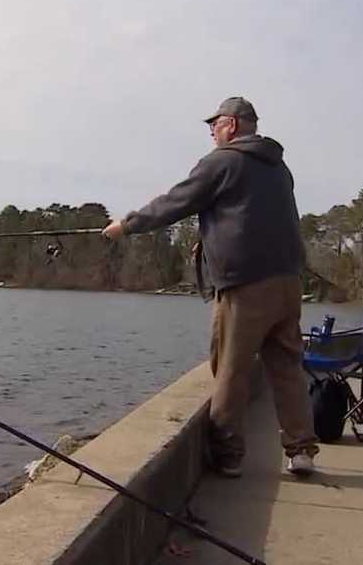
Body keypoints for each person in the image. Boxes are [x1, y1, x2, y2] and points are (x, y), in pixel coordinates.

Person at [102, 96, 318, 477]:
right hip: (287, 283)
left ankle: (229, 455)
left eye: (214, 125)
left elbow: (177, 201)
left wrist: (127, 225)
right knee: (287, 369)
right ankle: (301, 450)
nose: (212, 133)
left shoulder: (223, 161)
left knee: (231, 370)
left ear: (232, 125)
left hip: (245, 286)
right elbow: (249, 215)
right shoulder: (279, 168)